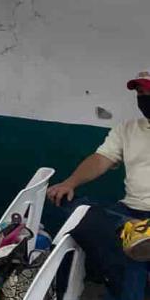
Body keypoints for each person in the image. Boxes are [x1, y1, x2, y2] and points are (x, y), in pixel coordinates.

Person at [46, 71, 150, 300]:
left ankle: (134, 235)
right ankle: (128, 229)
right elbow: (101, 159)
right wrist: (69, 182)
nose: (144, 97)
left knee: (131, 260)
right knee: (77, 209)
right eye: (141, 93)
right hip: (130, 212)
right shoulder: (128, 129)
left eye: (149, 91)